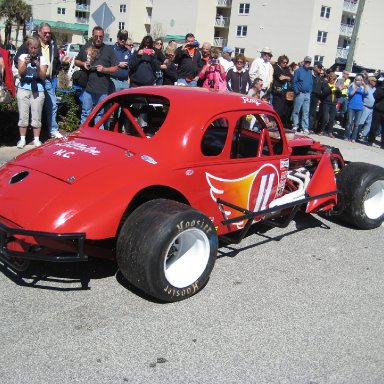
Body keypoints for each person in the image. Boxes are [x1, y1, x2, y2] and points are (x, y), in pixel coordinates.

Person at [14, 23, 63, 139]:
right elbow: (17, 60)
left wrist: (55, 72)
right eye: (45, 32)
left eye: (49, 33)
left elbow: (56, 61)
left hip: (48, 79)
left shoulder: (52, 44)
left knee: (52, 105)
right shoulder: (31, 43)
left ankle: (53, 130)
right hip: (31, 81)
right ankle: (28, 136)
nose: (47, 35)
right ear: (39, 32)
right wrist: (24, 71)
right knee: (30, 108)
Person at [75, 26, 119, 125]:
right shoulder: (87, 47)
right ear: (92, 36)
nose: (98, 39)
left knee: (100, 114)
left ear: (103, 37)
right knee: (85, 113)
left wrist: (104, 69)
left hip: (102, 89)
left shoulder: (108, 49)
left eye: (101, 37)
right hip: (88, 87)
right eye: (96, 36)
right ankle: (83, 137)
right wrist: (83, 64)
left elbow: (115, 68)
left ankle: (97, 136)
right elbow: (76, 61)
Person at [16, 36, 48, 148]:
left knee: (37, 114)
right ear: (28, 48)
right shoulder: (23, 57)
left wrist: (38, 66)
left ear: (38, 48)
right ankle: (22, 139)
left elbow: (43, 76)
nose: (33, 50)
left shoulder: (42, 59)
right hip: (24, 88)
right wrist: (25, 63)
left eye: (35, 48)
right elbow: (21, 72)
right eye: (31, 48)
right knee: (23, 115)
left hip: (37, 89)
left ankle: (36, 139)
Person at [291, 56, 313, 134]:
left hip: (307, 94)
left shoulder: (310, 72)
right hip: (300, 93)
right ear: (304, 62)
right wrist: (297, 91)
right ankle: (295, 125)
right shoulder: (298, 71)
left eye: (309, 62)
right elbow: (294, 82)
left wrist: (309, 91)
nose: (308, 63)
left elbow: (311, 83)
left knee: (306, 111)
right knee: (296, 110)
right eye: (306, 62)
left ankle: (305, 127)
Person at [345, 74, 368, 142]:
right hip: (351, 106)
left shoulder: (363, 87)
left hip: (359, 107)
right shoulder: (352, 86)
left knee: (356, 124)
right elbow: (350, 94)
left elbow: (366, 93)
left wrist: (364, 85)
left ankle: (353, 138)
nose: (359, 81)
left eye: (360, 80)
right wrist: (356, 88)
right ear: (355, 80)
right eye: (358, 80)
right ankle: (347, 136)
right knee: (349, 122)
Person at [271, 54, 292, 126]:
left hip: (284, 92)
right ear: (280, 61)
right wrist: (287, 77)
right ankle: (273, 123)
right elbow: (280, 78)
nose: (285, 64)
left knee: (282, 110)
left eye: (286, 62)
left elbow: (291, 77)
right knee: (276, 108)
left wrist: (285, 77)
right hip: (277, 91)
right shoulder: (276, 67)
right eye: (284, 62)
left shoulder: (286, 69)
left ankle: (277, 123)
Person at [318, 72, 341, 138]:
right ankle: (322, 130)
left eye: (334, 79)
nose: (332, 80)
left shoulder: (336, 86)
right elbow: (325, 92)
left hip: (333, 104)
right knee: (325, 118)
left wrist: (339, 89)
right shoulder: (325, 84)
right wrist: (332, 87)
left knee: (332, 119)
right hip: (326, 103)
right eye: (331, 79)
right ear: (329, 78)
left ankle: (330, 132)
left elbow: (339, 96)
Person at [357, 76, 377, 142]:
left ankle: (363, 136)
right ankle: (356, 134)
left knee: (369, 123)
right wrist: (362, 105)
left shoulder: (375, 89)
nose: (375, 82)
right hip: (365, 107)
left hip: (372, 108)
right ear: (370, 81)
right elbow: (361, 96)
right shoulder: (365, 87)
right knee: (361, 122)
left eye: (376, 81)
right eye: (374, 81)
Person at [309, 61, 326, 133]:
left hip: (316, 96)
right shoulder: (309, 74)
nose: (320, 69)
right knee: (306, 111)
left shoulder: (321, 78)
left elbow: (324, 87)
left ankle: (310, 128)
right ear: (315, 67)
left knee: (313, 113)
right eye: (319, 67)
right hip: (309, 94)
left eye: (321, 68)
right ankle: (302, 126)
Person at [366, 81, 384, 149]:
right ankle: (370, 141)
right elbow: (375, 96)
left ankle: (383, 144)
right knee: (374, 127)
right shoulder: (379, 89)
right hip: (378, 111)